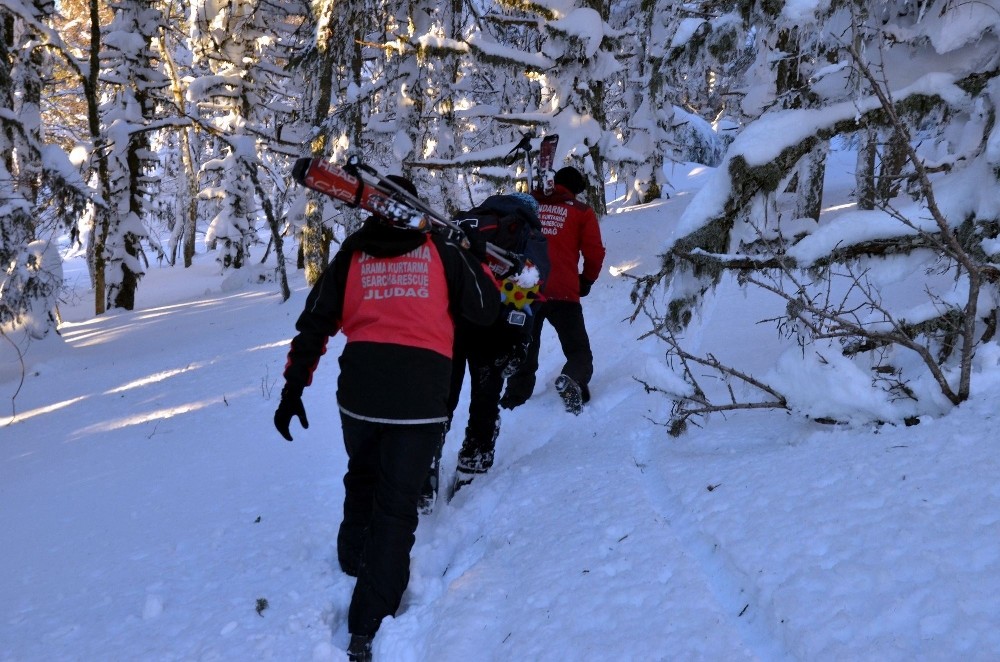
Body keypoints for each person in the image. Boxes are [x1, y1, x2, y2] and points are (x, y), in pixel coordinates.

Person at [273, 175, 500, 662]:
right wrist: (476, 256)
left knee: (362, 474)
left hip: (359, 393)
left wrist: (293, 389)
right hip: (418, 400)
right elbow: (486, 310)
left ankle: (355, 559)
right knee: (396, 507)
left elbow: (315, 322)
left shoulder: (353, 253)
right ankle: (366, 626)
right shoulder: (442, 250)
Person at [422, 192, 548, 504]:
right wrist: (522, 340)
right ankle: (473, 464)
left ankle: (424, 464)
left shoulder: (467, 222)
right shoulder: (526, 230)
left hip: (450, 322)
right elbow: (531, 284)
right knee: (486, 395)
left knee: (441, 394)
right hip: (494, 325)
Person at [501, 165, 605, 415]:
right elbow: (595, 252)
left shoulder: (527, 206)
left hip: (524, 287)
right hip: (563, 289)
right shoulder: (580, 211)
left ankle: (514, 402)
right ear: (575, 190)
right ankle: (572, 377)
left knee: (525, 345)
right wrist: (587, 280)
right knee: (578, 349)